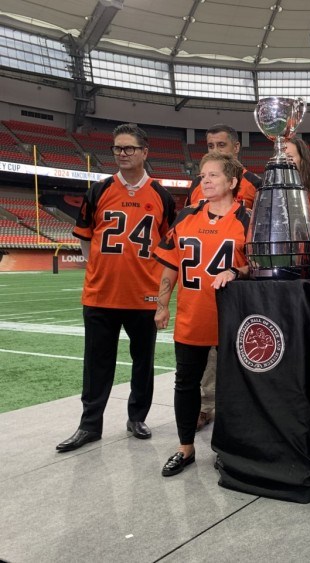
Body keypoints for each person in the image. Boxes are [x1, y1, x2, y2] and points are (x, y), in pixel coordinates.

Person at [57, 123, 175, 452]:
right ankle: (89, 425)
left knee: (143, 361)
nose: (122, 154)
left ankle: (137, 417)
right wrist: (97, 270)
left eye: (129, 148)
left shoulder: (162, 196)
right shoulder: (99, 190)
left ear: (144, 152)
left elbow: (168, 247)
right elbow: (84, 239)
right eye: (117, 148)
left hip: (144, 295)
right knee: (96, 363)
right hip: (101, 294)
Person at [153, 153, 251, 477]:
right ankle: (185, 448)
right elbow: (169, 264)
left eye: (213, 175)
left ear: (232, 182)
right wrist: (162, 304)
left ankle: (228, 448)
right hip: (191, 316)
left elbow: (262, 265)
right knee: (186, 384)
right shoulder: (186, 217)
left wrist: (238, 270)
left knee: (231, 389)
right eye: (203, 175)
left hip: (232, 318)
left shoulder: (247, 220)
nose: (205, 180)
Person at [186, 124, 262, 432]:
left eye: (221, 144)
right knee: (206, 361)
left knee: (239, 356)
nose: (215, 150)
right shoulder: (200, 185)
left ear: (236, 147)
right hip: (204, 287)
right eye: (210, 144)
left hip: (241, 286)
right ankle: (205, 407)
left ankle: (239, 413)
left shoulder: (255, 183)